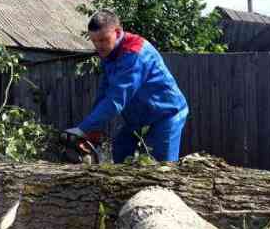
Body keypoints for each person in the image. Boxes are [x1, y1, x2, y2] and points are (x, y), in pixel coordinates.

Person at [65, 10, 188, 163]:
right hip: (138, 119)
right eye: (94, 41)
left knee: (162, 168)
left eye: (103, 40)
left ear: (117, 32)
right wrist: (91, 129)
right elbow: (104, 91)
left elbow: (116, 99)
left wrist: (82, 129)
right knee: (121, 149)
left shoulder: (134, 53)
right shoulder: (109, 53)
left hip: (165, 115)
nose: (98, 46)